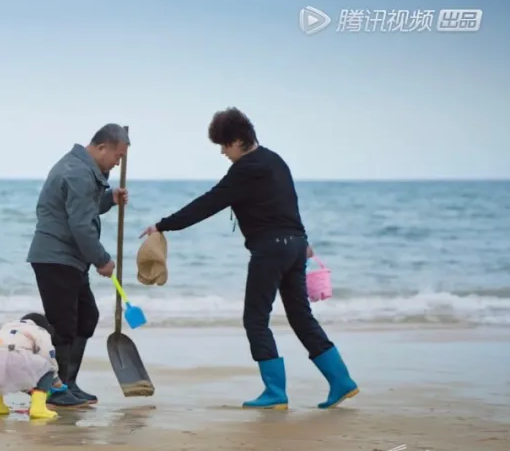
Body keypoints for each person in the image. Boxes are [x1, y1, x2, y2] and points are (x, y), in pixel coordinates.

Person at [138, 108, 358, 410]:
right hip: (294, 247)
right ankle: (341, 381)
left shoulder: (246, 169)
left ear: (239, 140)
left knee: (255, 320)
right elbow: (290, 203)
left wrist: (163, 225)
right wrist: (302, 240)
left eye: (224, 145)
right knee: (301, 317)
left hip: (270, 250)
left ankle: (275, 392)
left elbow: (209, 202)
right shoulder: (275, 160)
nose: (223, 153)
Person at [26, 123, 130, 407]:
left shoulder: (81, 168)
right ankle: (55, 389)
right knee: (64, 325)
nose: (117, 162)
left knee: (86, 317)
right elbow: (81, 225)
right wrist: (102, 259)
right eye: (117, 156)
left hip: (68, 258)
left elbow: (79, 207)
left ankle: (68, 383)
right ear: (101, 147)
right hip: (55, 257)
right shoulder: (79, 172)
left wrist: (109, 199)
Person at [0, 313, 73, 420]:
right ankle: (38, 408)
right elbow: (47, 354)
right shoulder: (40, 331)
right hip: (13, 353)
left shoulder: (4, 329)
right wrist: (55, 378)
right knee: (48, 368)